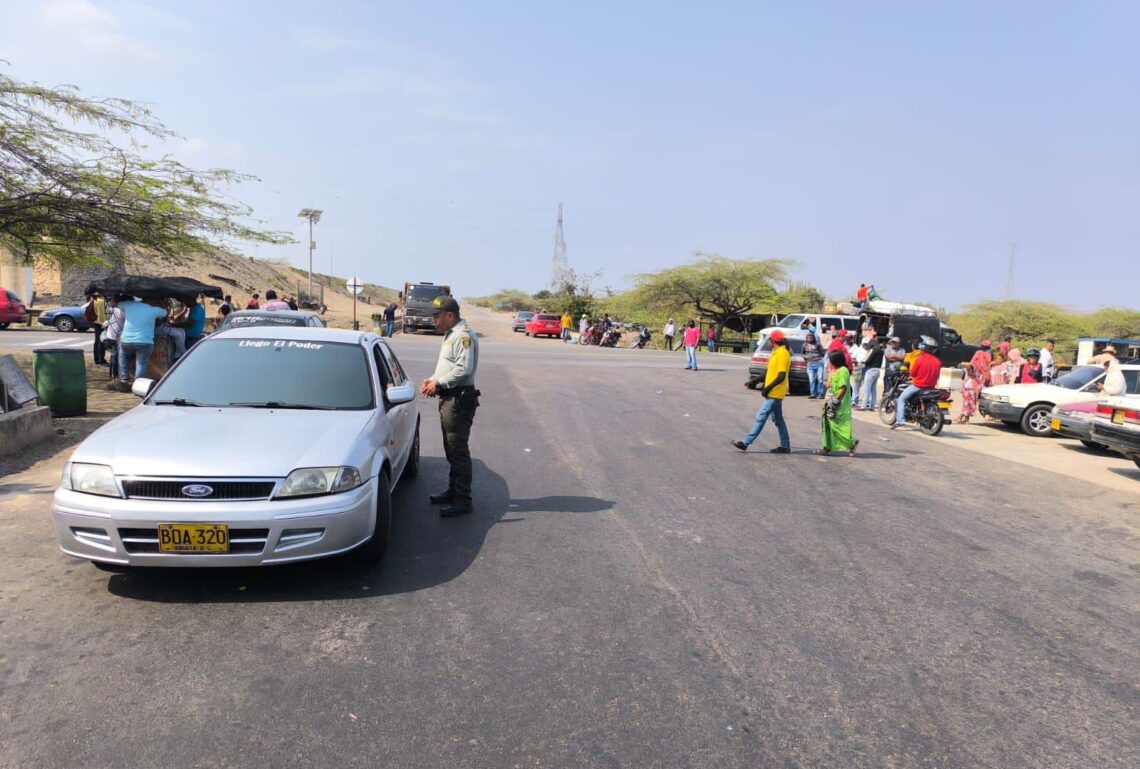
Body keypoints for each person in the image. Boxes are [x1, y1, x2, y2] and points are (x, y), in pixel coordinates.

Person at [420, 296, 480, 517]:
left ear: (450, 316)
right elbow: (447, 366)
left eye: (437, 317)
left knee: (458, 450)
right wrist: (432, 379)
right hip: (449, 397)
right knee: (450, 448)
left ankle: (463, 500)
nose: (434, 321)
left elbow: (464, 370)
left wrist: (440, 383)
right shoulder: (450, 335)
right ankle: (453, 491)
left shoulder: (463, 336)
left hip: (458, 399)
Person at [731, 330, 791, 454]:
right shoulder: (775, 353)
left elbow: (781, 376)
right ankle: (785, 445)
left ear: (772, 340)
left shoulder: (783, 354)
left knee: (761, 416)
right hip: (773, 392)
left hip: (775, 393)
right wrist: (753, 381)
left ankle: (745, 442)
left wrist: (767, 388)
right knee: (778, 420)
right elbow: (767, 373)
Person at [115, 297, 168, 389]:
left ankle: (124, 377)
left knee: (123, 356)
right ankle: (137, 383)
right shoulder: (153, 310)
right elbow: (165, 313)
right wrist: (163, 303)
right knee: (141, 363)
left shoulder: (128, 304)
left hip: (126, 340)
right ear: (150, 300)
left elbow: (117, 304)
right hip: (145, 341)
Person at [893, 335, 941, 429]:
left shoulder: (920, 359)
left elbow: (913, 374)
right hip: (931, 387)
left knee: (901, 399)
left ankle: (900, 421)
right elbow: (937, 375)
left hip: (918, 385)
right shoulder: (937, 361)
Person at [817, 349, 858, 456]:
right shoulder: (833, 370)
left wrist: (835, 402)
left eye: (830, 360)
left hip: (838, 403)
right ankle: (826, 447)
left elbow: (843, 388)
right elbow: (829, 384)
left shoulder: (843, 370)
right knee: (826, 425)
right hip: (828, 401)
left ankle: (851, 444)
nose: (829, 362)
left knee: (836, 426)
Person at [859, 338, 884, 411]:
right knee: (873, 389)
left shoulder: (873, 350)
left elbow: (866, 360)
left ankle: (863, 406)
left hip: (870, 370)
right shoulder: (881, 351)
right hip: (877, 370)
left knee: (867, 388)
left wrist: (861, 361)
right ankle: (872, 406)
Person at [802, 332, 826, 399]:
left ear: (813, 338)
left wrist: (818, 357)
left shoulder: (818, 344)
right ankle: (813, 394)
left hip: (819, 363)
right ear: (806, 338)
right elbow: (802, 353)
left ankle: (821, 394)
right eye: (808, 338)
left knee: (820, 379)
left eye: (811, 337)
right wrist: (806, 357)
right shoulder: (804, 345)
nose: (810, 339)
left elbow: (823, 352)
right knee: (812, 379)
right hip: (810, 364)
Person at [850, 337, 870, 406]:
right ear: (862, 343)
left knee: (866, 385)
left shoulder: (869, 350)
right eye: (865, 344)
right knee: (856, 385)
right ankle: (854, 400)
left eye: (867, 344)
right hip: (858, 368)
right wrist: (857, 362)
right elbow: (852, 358)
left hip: (867, 368)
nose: (866, 345)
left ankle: (866, 401)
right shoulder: (857, 349)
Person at [89, 292, 108, 365]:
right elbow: (104, 314)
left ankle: (96, 359)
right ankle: (101, 359)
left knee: (97, 341)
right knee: (102, 341)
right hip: (102, 323)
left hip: (96, 322)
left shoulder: (94, 301)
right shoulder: (102, 301)